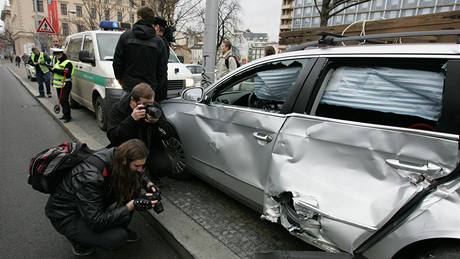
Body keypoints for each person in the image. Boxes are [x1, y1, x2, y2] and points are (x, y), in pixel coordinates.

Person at [45, 139, 159, 256]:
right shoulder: (90, 176)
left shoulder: (117, 155)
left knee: (132, 191)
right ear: (125, 160)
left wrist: (148, 184)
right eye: (137, 165)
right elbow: (96, 222)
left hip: (89, 204)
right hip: (67, 215)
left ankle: (115, 226)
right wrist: (131, 205)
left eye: (143, 165)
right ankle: (79, 242)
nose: (140, 169)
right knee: (117, 237)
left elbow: (136, 173)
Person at [107, 83, 170, 180]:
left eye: (151, 104)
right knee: (123, 172)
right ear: (133, 101)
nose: (148, 107)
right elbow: (113, 137)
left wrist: (157, 123)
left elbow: (167, 133)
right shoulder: (118, 109)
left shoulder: (155, 107)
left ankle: (150, 172)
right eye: (144, 104)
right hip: (127, 148)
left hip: (150, 146)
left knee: (164, 167)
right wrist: (131, 119)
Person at [112, 6, 168, 101]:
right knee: (149, 115)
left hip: (129, 88)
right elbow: (162, 70)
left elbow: (117, 63)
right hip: (149, 91)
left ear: (139, 18)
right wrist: (156, 87)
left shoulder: (125, 36)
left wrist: (121, 80)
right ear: (151, 20)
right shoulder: (159, 42)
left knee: (125, 114)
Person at [50, 48, 74, 123]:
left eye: (58, 54)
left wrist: (55, 70)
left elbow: (66, 73)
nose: (57, 56)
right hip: (59, 84)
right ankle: (64, 114)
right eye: (56, 54)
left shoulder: (68, 63)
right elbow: (55, 72)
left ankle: (68, 117)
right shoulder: (57, 63)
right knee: (61, 100)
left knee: (64, 100)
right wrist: (51, 69)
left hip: (66, 83)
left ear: (62, 54)